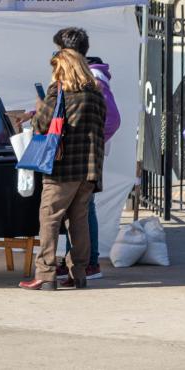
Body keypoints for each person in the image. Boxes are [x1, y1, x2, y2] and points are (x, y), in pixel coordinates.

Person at [19, 48, 106, 290]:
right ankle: (78, 273)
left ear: (63, 68)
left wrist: (39, 106)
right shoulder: (96, 94)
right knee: (79, 222)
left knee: (49, 218)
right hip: (89, 168)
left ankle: (45, 274)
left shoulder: (58, 92)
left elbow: (42, 125)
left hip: (62, 168)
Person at [52, 27, 120, 281]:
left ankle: (89, 263)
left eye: (60, 50)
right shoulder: (84, 75)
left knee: (83, 208)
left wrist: (90, 139)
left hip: (85, 153)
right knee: (78, 208)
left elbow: (112, 119)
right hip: (82, 151)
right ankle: (77, 261)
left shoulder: (94, 79)